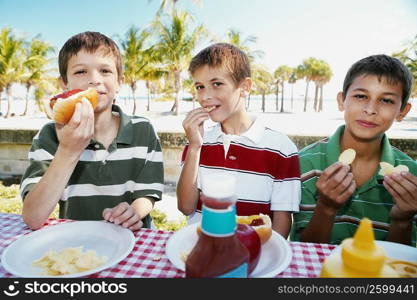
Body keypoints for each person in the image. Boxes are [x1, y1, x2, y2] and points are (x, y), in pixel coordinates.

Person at [20, 31, 164, 231]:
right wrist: (68, 150)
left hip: (135, 239)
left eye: (105, 71)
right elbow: (33, 217)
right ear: (64, 83)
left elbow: (148, 193)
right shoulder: (49, 135)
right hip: (77, 242)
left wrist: (134, 211)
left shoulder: (143, 130)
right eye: (81, 72)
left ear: (119, 82)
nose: (95, 80)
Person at [176, 43, 301, 238]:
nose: (205, 96)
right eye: (200, 87)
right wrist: (194, 147)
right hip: (201, 244)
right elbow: (185, 207)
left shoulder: (281, 149)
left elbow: (282, 220)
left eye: (217, 84)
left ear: (244, 87)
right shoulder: (197, 142)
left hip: (255, 251)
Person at [291, 54, 417, 245]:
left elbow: (405, 263)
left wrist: (402, 219)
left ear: (402, 112)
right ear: (342, 100)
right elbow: (304, 249)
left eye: (386, 100)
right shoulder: (304, 163)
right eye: (360, 96)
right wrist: (325, 207)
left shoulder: (411, 175)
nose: (370, 109)